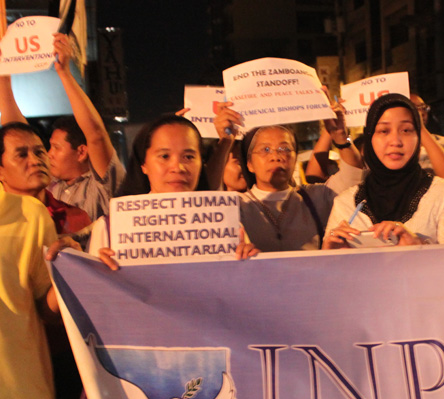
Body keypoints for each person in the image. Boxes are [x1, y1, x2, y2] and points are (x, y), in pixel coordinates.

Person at [0, 122, 77, 399]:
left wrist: (68, 271)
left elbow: (47, 306)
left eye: (38, 151)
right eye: (21, 154)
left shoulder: (32, 216)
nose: (35, 159)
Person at [91, 115, 255, 266]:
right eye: (164, 156)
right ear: (144, 164)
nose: (178, 167)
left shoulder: (227, 226)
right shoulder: (110, 229)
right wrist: (101, 274)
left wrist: (249, 263)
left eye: (189, 157)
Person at [211, 99, 364, 252]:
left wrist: (341, 137)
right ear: (249, 163)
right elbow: (209, 195)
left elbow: (353, 173)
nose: (275, 156)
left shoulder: (316, 197)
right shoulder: (237, 205)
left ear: (295, 158)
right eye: (265, 150)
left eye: (284, 149)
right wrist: (225, 142)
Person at [0, 33, 124, 221]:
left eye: (55, 148)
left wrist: (64, 72)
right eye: (46, 148)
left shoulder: (101, 187)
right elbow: (15, 132)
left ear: (82, 152)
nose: (44, 157)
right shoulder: (47, 185)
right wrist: (4, 77)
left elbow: (96, 135)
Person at [324, 93, 444, 248]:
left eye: (406, 130)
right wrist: (329, 252)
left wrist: (418, 245)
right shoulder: (345, 204)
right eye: (384, 131)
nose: (395, 141)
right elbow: (326, 270)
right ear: (370, 137)